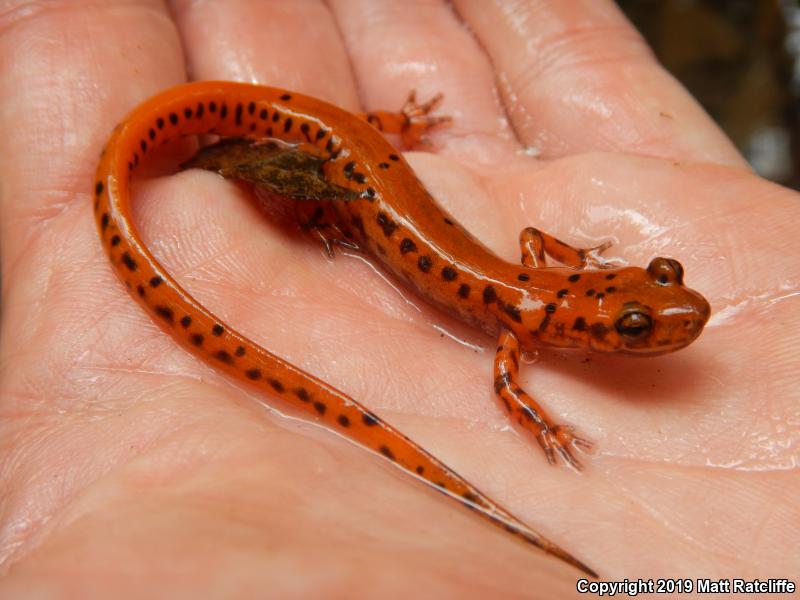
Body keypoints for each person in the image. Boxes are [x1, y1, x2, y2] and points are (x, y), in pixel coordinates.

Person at [0, 0, 796, 595]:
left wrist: (567, 264)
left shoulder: (529, 302)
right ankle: (306, 191)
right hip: (346, 151)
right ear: (589, 310)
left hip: (360, 142)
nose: (672, 315)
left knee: (356, 159)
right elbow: (507, 380)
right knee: (334, 179)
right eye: (638, 318)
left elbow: (525, 281)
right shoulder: (524, 318)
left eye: (643, 310)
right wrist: (539, 419)